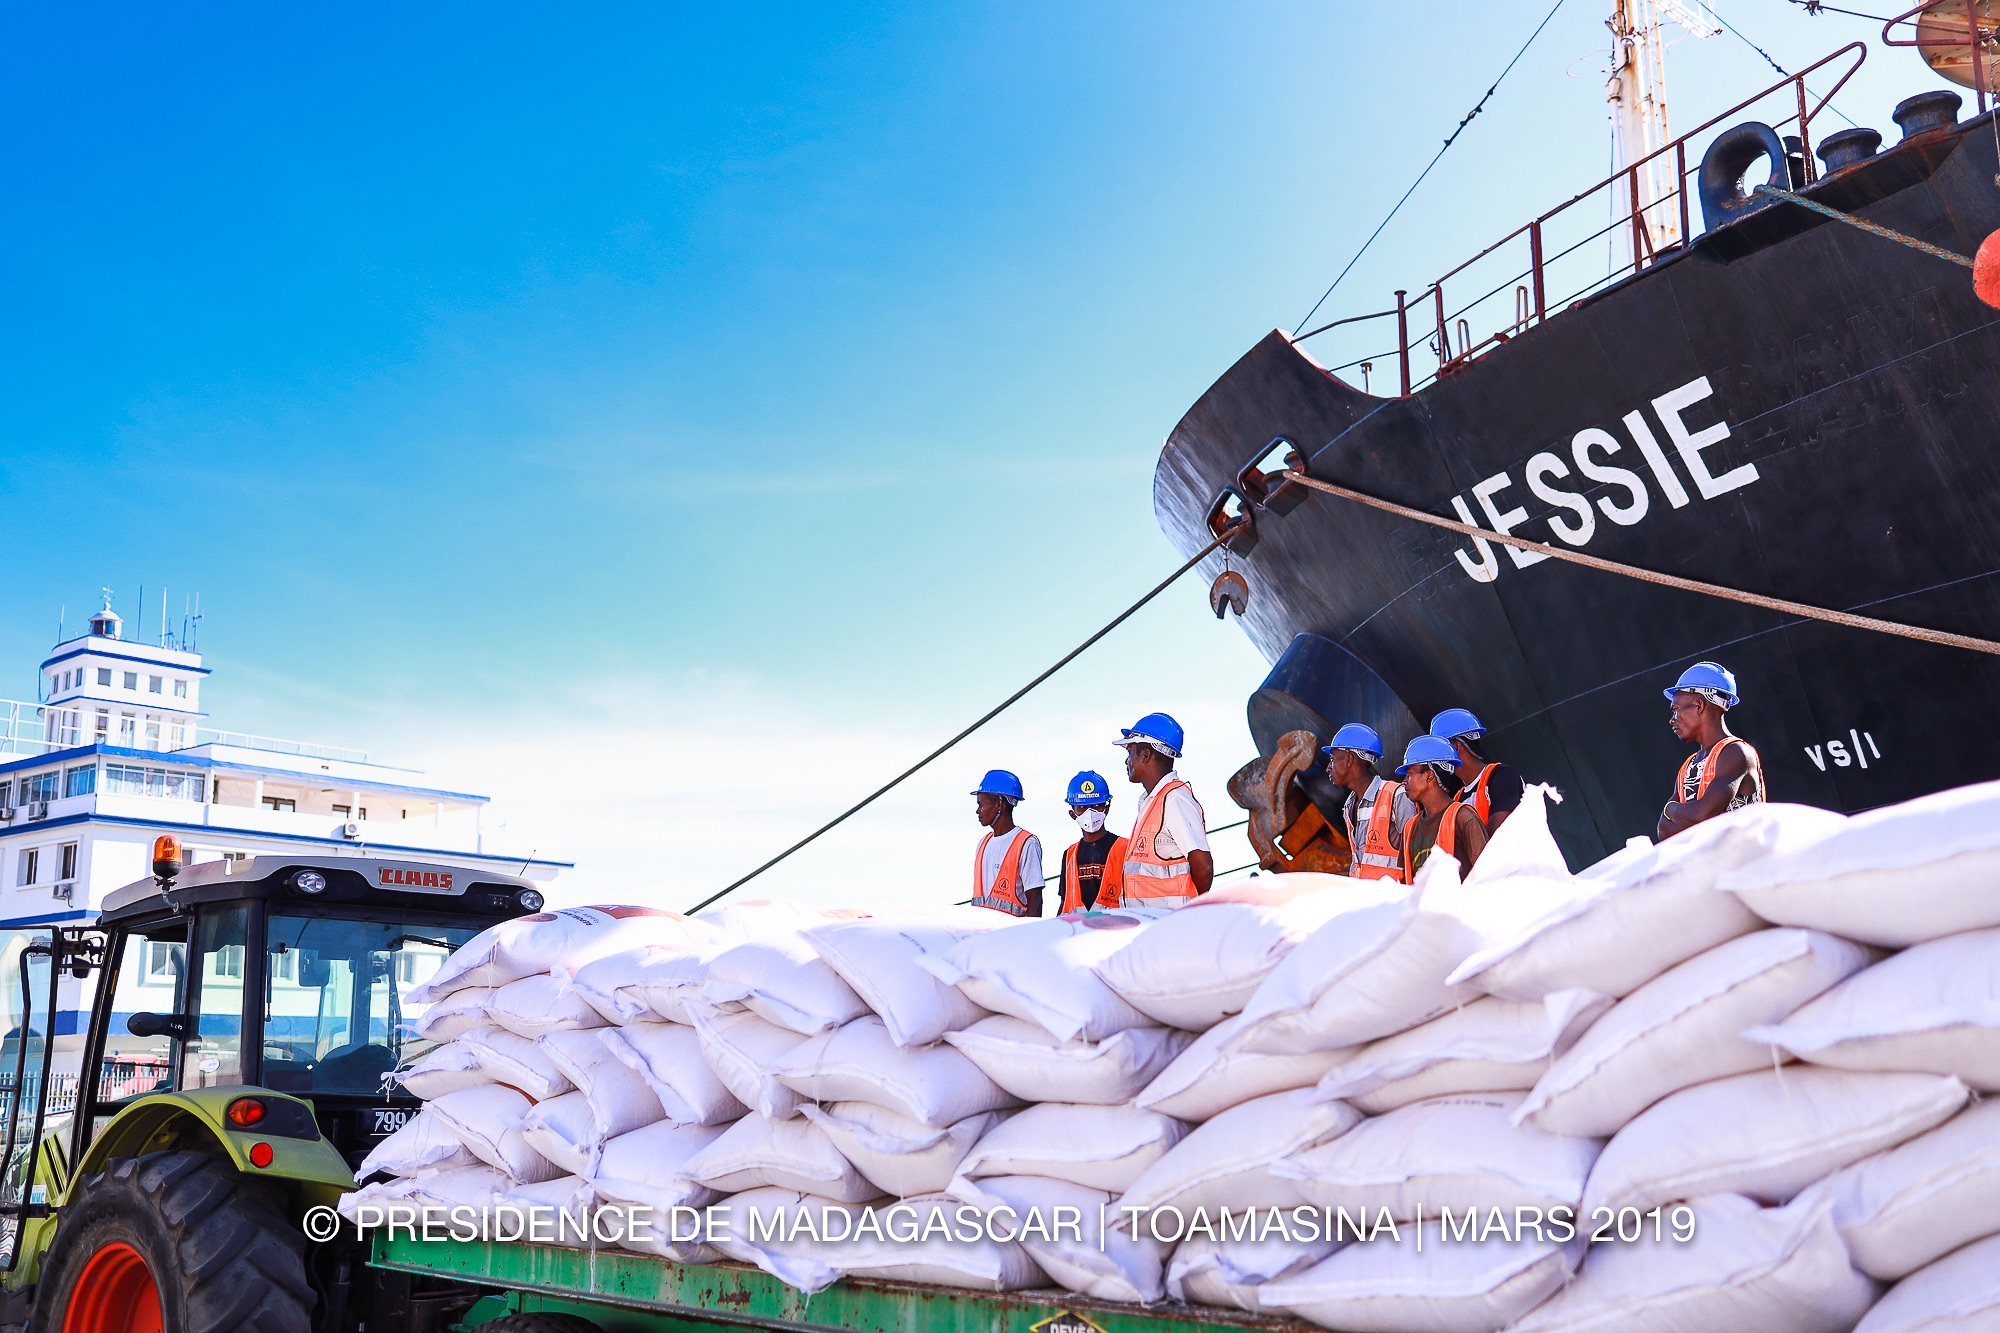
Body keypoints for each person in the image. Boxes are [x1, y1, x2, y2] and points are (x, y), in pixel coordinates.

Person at [1657, 662, 1764, 840]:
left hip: (1746, 866)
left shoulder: (1736, 752)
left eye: (1676, 710)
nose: (1672, 720)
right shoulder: (1688, 765)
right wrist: (1692, 817)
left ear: (1698, 706)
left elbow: (1701, 815)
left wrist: (1670, 809)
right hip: (1708, 867)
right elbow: (1663, 831)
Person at [1114, 712, 1212, 904]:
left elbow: (1204, 869)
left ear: (1145, 755)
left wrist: (1186, 911)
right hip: (1154, 925)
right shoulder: (1154, 802)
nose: (1127, 761)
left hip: (1170, 925)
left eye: (1130, 752)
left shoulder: (1175, 799)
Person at [1321, 722, 1417, 882]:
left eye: (1332, 759)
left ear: (1349, 760)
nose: (1328, 768)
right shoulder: (1349, 806)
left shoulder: (1395, 795)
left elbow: (1416, 855)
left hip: (1393, 901)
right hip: (1366, 900)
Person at [1398, 735, 1487, 877]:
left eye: (1409, 774)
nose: (1404, 782)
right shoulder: (1409, 827)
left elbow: (1487, 874)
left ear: (1429, 776)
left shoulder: (1464, 818)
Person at [1429, 708, 1525, 835]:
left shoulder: (1503, 776)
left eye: (1439, 751)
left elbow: (1498, 839)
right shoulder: (1458, 798)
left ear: (1456, 746)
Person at [970, 770, 1042, 916]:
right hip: (984, 935)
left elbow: (1035, 900)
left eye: (981, 804)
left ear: (999, 804)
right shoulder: (983, 844)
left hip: (1012, 937)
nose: (978, 811)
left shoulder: (1027, 844)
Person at [1057, 770, 1126, 913]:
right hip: (1080, 932)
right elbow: (1065, 902)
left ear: (1106, 808)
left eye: (1096, 806)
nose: (1090, 812)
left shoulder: (1125, 849)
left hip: (1117, 931)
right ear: (1072, 813)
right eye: (1082, 807)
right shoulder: (1069, 855)